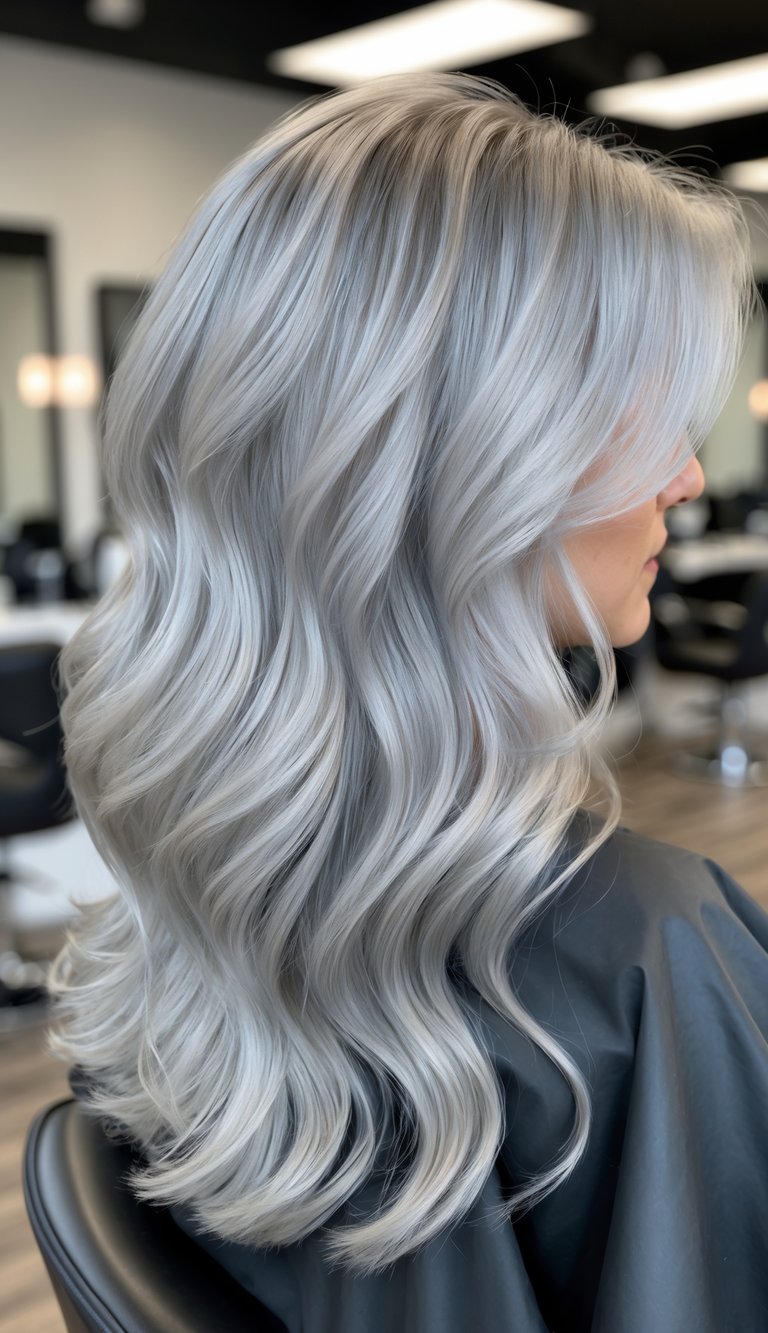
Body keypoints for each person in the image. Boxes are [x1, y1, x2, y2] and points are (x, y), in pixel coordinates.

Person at [48, 71, 768, 1332]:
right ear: (460, 450)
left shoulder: (196, 871)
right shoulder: (651, 950)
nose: (689, 473)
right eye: (627, 410)